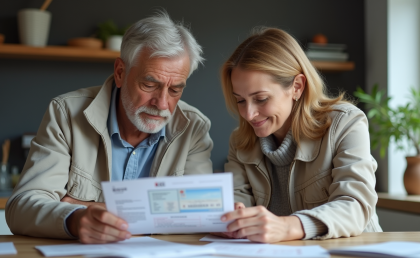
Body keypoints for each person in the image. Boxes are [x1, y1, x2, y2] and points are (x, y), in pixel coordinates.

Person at [6, 11, 213, 243]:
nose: (162, 104)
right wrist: (75, 219)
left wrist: (90, 206)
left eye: (175, 89)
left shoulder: (194, 127)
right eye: (149, 84)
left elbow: (200, 215)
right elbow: (20, 208)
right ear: (120, 72)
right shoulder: (65, 112)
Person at [218, 27, 382, 243]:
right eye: (240, 100)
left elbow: (355, 205)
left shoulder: (346, 123)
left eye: (261, 99)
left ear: (297, 87)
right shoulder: (240, 141)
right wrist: (230, 219)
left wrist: (288, 226)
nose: (248, 114)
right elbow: (237, 202)